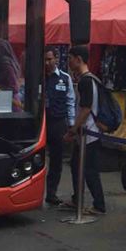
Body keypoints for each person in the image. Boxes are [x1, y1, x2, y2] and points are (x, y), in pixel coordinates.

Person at [65, 46, 116, 216]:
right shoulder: (91, 79)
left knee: (89, 169)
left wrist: (73, 129)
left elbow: (85, 109)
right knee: (77, 165)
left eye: (70, 58)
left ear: (78, 59)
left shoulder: (86, 81)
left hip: (89, 133)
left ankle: (99, 204)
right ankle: (77, 198)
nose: (69, 61)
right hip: (87, 132)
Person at [43, 50, 76, 207]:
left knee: (56, 160)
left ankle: (51, 193)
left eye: (50, 59)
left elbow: (70, 101)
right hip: (42, 123)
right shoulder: (38, 77)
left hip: (58, 123)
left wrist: (71, 124)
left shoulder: (65, 78)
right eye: (44, 60)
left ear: (56, 59)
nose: (47, 63)